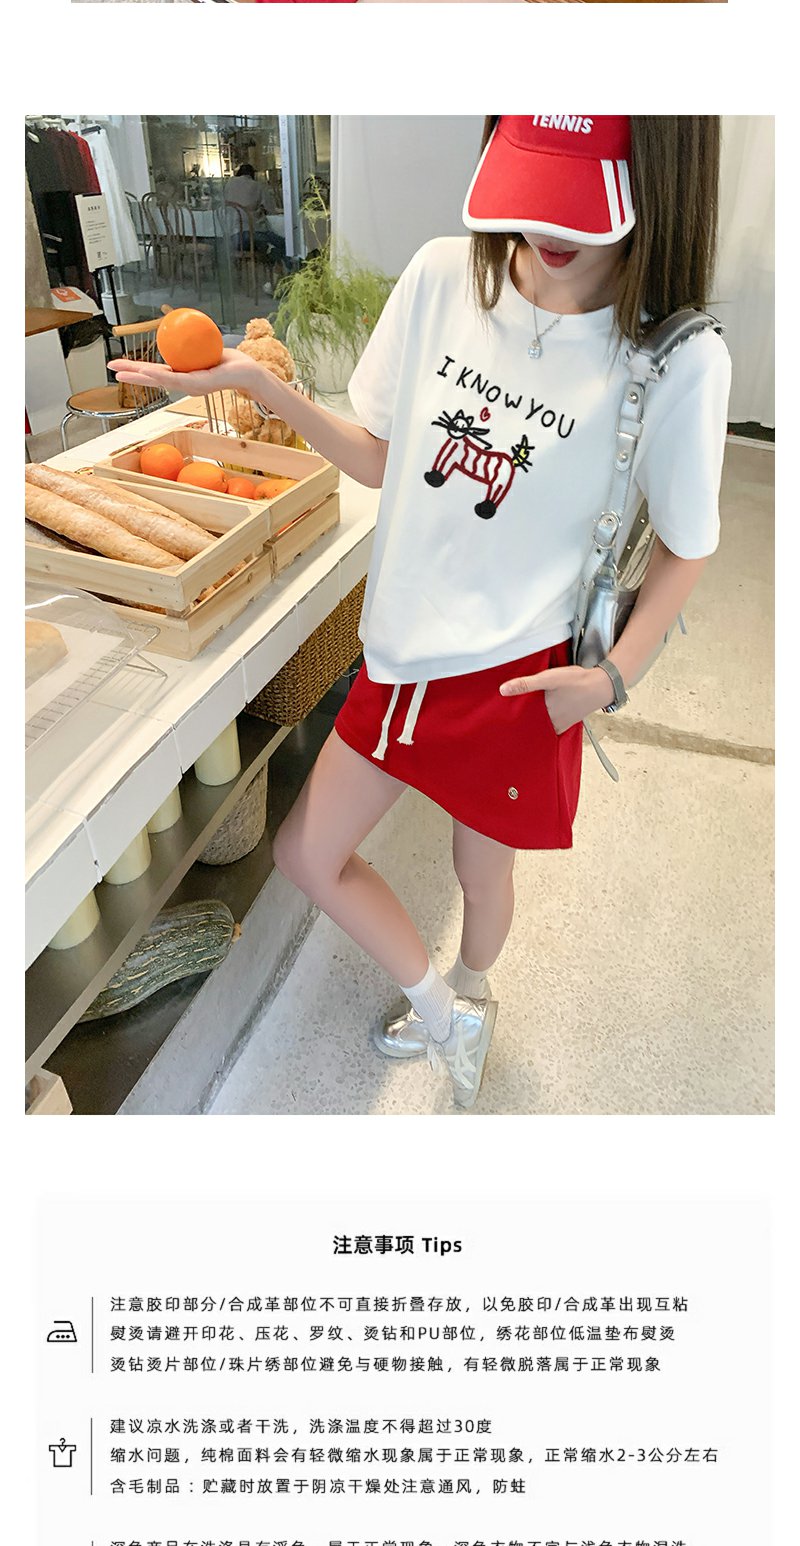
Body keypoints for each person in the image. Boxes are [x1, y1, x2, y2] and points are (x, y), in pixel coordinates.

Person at [111, 116, 731, 1113]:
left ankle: (474, 988)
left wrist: (612, 676)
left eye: (578, 205)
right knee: (305, 852)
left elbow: (686, 544)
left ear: (655, 177)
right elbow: (381, 457)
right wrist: (258, 384)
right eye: (530, 191)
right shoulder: (444, 277)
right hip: (402, 652)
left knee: (479, 872)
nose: (545, 230)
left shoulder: (674, 357)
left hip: (521, 676)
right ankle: (447, 1015)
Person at [224, 163, 288, 268]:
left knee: (267, 243)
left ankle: (270, 257)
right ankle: (285, 269)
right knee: (284, 243)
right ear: (252, 174)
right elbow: (271, 209)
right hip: (250, 235)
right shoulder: (258, 186)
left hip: (231, 237)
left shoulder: (229, 183)